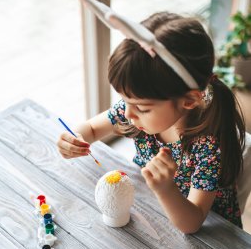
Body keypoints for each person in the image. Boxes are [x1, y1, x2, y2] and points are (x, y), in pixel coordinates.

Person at [57, 12, 246, 234]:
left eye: (142, 107)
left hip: (212, 237)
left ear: (189, 100)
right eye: (125, 101)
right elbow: (90, 129)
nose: (128, 113)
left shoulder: (209, 145)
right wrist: (74, 139)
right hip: (151, 208)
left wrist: (166, 189)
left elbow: (192, 223)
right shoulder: (138, 109)